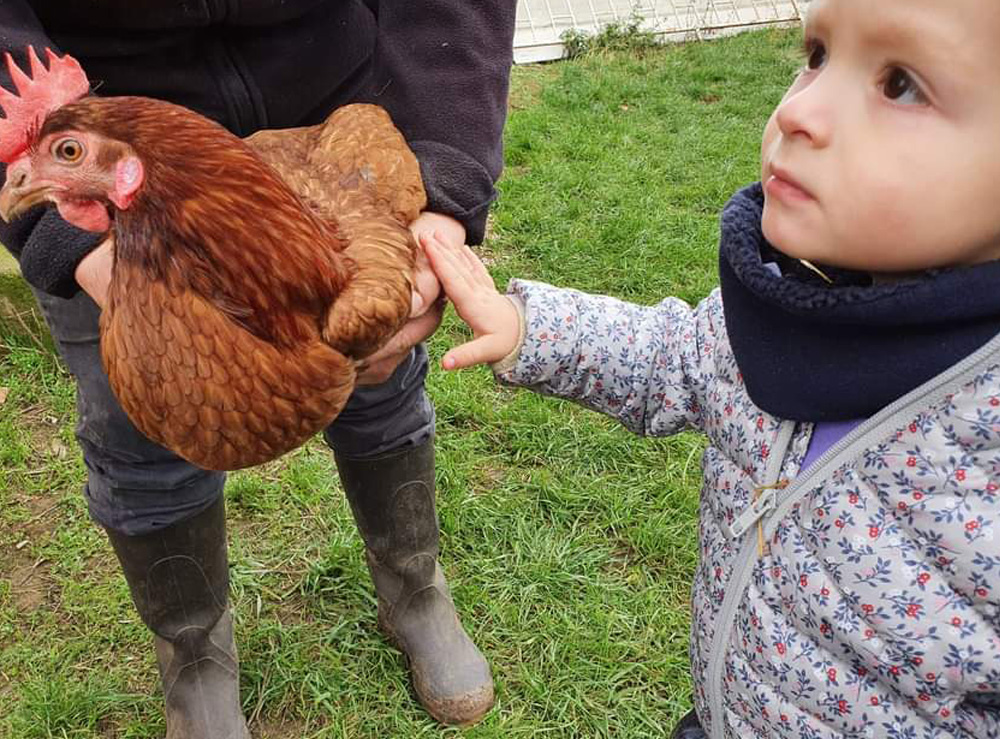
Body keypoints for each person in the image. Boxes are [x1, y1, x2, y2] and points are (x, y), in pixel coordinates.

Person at [421, 0, 1000, 736]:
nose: (801, 111)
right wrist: (526, 327)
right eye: (817, 54)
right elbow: (672, 359)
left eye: (900, 85)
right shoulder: (797, 306)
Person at [0, 2, 516, 735]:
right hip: (129, 128)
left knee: (378, 377)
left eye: (57, 161)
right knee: (139, 423)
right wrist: (75, 240)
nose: (21, 179)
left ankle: (413, 586)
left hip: (329, 112)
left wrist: (442, 178)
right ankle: (195, 653)